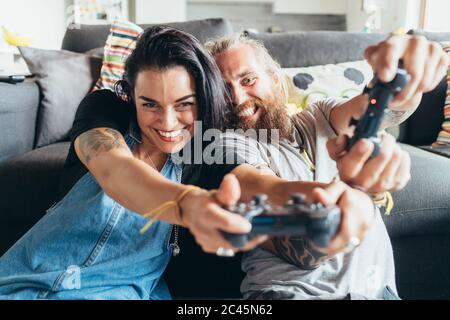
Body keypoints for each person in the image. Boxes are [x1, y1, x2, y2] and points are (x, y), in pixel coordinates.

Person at [0, 26, 375, 300]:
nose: (166, 124)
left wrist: (326, 198)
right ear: (131, 97)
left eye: (184, 104)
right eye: (150, 104)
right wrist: (186, 205)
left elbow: (255, 182)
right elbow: (114, 170)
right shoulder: (104, 112)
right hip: (25, 282)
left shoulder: (210, 147)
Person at [203, 32, 448, 299]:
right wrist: (354, 189)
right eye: (223, 90)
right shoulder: (227, 146)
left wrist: (403, 78)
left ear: (274, 79)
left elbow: (383, 110)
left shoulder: (320, 117)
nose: (237, 98)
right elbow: (300, 243)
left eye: (248, 80)